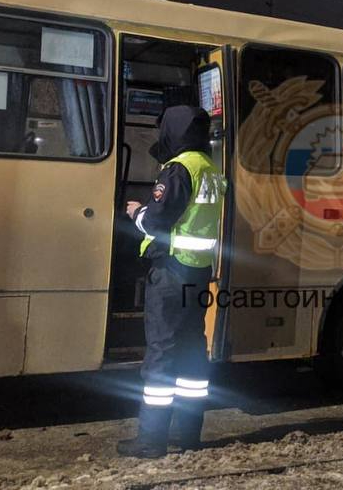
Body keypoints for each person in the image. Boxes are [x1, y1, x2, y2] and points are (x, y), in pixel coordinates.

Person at [117, 105, 224, 459]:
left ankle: (150, 442)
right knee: (193, 353)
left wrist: (137, 213)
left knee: (162, 354)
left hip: (171, 271)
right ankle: (188, 435)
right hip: (198, 271)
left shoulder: (179, 168)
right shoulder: (209, 167)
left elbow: (159, 221)